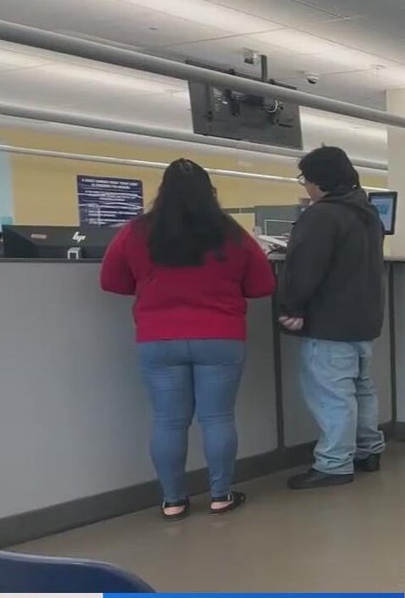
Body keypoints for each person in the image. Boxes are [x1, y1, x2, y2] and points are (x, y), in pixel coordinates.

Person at [100, 159, 275, 520]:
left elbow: (111, 281)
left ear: (162, 191)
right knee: (218, 418)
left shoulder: (136, 231)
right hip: (220, 337)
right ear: (209, 192)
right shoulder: (231, 233)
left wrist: (150, 286)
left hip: (158, 338)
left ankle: (173, 501)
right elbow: (262, 285)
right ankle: (221, 495)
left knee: (168, 421)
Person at [278, 146, 386, 490]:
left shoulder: (321, 216)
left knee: (332, 395)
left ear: (320, 181)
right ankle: (368, 450)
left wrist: (292, 308)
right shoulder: (367, 212)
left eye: (306, 179)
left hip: (330, 322)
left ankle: (335, 463)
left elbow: (305, 268)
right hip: (363, 320)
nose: (306, 186)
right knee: (361, 389)